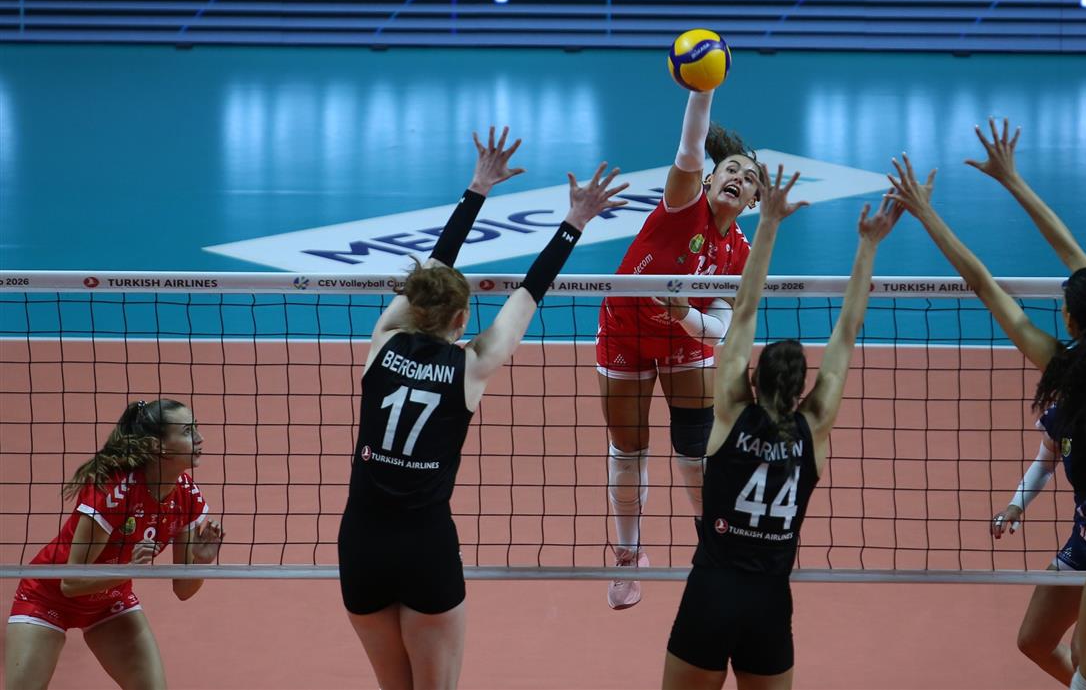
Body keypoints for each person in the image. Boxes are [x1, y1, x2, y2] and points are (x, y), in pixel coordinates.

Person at [888, 120, 1086, 690]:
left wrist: (926, 213)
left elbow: (984, 285)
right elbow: (1073, 252)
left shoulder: (1066, 368)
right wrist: (1014, 179)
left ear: (1071, 321)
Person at [337, 126, 627, 690]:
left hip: (362, 544)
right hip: (424, 548)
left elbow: (430, 275)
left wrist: (477, 189)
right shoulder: (471, 367)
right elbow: (528, 295)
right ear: (461, 320)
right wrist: (575, 220)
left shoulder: (382, 344)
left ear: (414, 306)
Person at [663, 164, 903, 690]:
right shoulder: (813, 428)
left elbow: (745, 310)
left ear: (752, 376)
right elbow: (846, 334)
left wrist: (768, 222)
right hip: (769, 602)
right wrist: (868, 247)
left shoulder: (731, 412)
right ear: (803, 391)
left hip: (711, 593)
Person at [597, 88, 765, 609]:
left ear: (754, 202)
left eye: (750, 179)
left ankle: (714, 546)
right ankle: (629, 555)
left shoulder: (740, 252)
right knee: (628, 450)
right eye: (731, 169)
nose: (739, 178)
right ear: (709, 180)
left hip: (683, 338)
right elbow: (692, 145)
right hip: (625, 331)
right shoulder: (682, 205)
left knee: (695, 456)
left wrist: (683, 315)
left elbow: (718, 328)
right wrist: (703, 88)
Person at [6, 398, 224, 690]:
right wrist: (130, 569)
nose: (199, 438)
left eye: (195, 428)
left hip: (108, 603)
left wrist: (201, 562)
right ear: (158, 445)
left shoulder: (188, 497)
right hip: (47, 597)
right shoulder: (112, 492)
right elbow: (70, 584)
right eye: (187, 431)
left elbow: (184, 590)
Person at [992, 404, 1086, 686]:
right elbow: (1045, 462)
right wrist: (1016, 505)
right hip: (1083, 543)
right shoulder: (1062, 414)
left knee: (1084, 655)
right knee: (1034, 641)